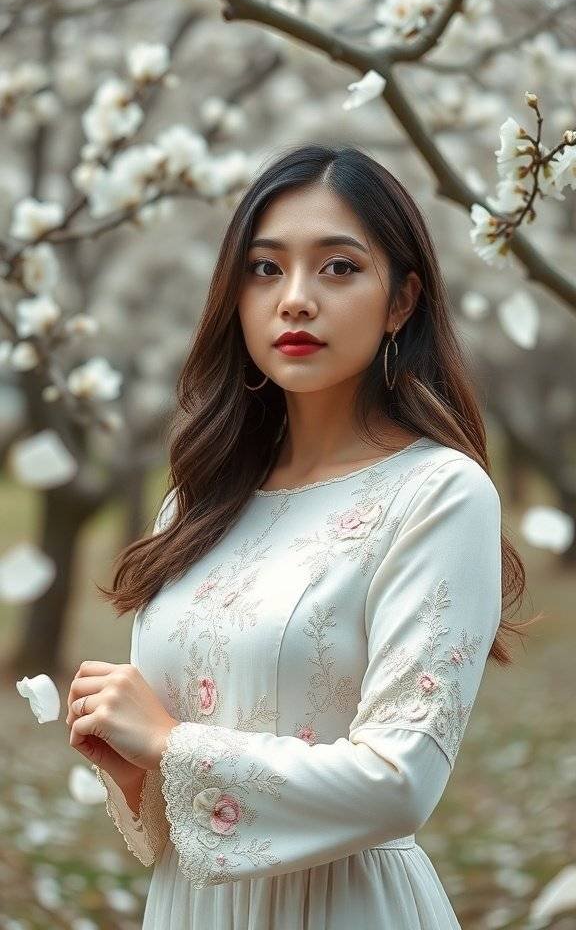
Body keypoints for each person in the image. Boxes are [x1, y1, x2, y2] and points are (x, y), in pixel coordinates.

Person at [66, 142, 532, 929]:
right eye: (265, 268)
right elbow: (176, 792)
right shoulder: (198, 501)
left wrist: (172, 745)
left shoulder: (438, 493)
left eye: (340, 268)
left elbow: (401, 781)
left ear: (402, 300)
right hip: (192, 908)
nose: (296, 299)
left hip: (344, 906)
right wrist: (135, 761)